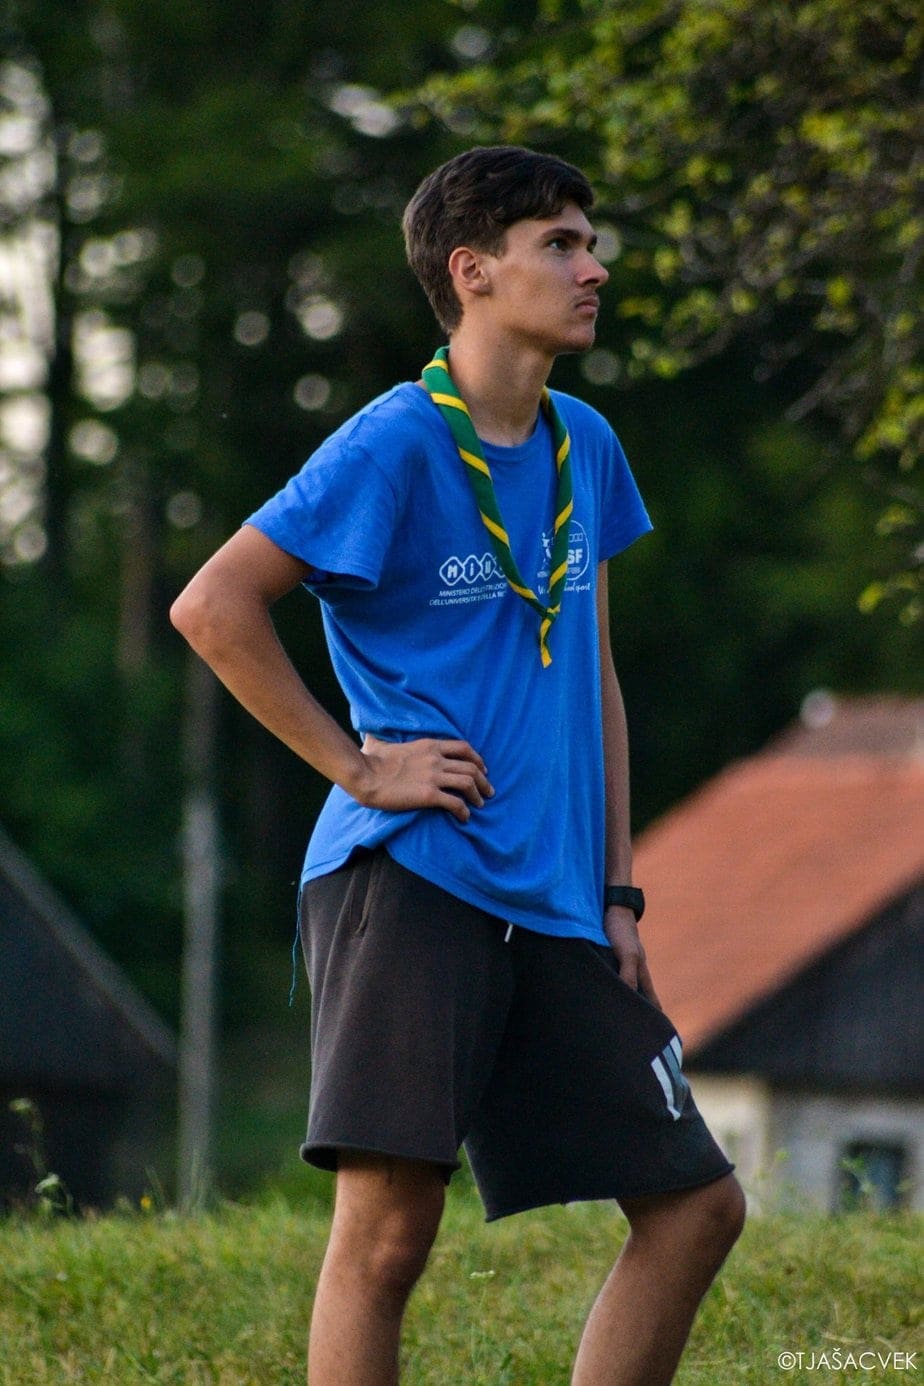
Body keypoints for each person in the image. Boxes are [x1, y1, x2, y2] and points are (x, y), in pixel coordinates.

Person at [170, 144, 745, 1386]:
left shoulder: (587, 442)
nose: (594, 269)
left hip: (557, 899)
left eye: (591, 243)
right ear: (472, 271)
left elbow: (592, 675)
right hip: (411, 878)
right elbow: (213, 606)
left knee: (698, 1207)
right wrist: (358, 768)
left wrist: (618, 892)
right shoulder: (392, 442)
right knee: (388, 1240)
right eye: (562, 245)